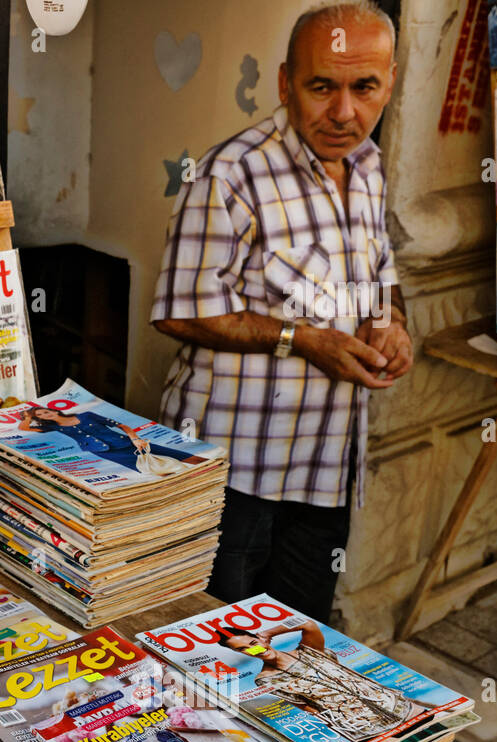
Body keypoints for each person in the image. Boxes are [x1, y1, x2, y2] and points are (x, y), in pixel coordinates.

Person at [151, 1, 412, 622]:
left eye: (364, 87)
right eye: (322, 86)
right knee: (208, 656)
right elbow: (179, 312)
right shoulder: (231, 173)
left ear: (390, 83)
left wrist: (391, 322)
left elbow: (379, 280)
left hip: (326, 472)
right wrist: (304, 339)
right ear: (284, 82)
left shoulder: (370, 169)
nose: (344, 112)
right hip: (235, 477)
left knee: (297, 650)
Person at [217, 621, 434, 742]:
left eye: (253, 643)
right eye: (243, 649)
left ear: (261, 639)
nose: (254, 650)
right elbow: (307, 708)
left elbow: (308, 625)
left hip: (393, 704)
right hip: (360, 726)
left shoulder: (308, 650)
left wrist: (270, 632)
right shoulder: (265, 679)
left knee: (435, 731)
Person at [17, 405, 204, 475]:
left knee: (186, 458)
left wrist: (135, 438)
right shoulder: (52, 426)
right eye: (40, 415)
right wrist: (27, 415)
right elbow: (23, 428)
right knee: (157, 472)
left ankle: (209, 472)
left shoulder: (87, 415)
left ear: (54, 410)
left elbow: (121, 425)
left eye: (44, 410)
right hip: (108, 453)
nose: (45, 414)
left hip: (126, 442)